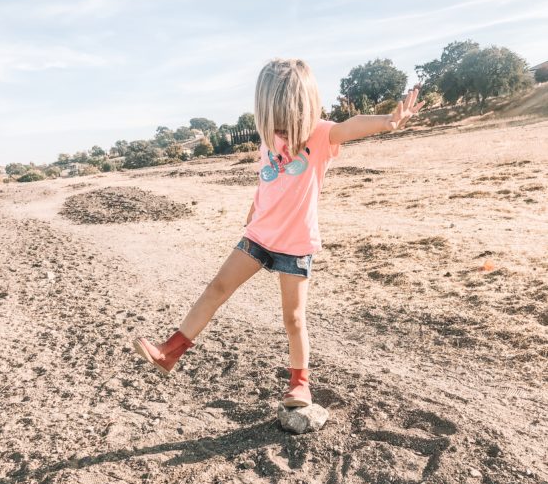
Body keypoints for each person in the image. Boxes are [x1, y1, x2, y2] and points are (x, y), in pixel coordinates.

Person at [133, 58, 424, 407]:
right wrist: (252, 213)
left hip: (295, 243)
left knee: (293, 318)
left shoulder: (320, 134)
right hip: (258, 235)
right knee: (217, 288)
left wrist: (388, 121)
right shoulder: (268, 141)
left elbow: (351, 125)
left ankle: (300, 384)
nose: (281, 118)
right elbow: (265, 182)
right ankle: (170, 351)